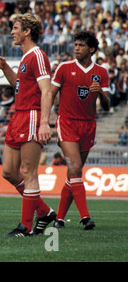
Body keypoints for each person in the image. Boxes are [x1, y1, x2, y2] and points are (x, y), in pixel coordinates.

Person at [0, 13, 56, 236]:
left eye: (15, 27)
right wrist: (5, 67)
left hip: (32, 116)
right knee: (8, 171)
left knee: (28, 171)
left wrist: (45, 123)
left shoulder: (37, 56)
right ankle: (44, 211)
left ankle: (25, 226)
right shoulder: (26, 57)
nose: (12, 31)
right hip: (18, 116)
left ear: (27, 31)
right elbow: (19, 85)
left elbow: (46, 90)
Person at [51, 31, 110, 230]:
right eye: (75, 44)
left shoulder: (101, 72)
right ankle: (85, 217)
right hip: (67, 122)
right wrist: (45, 120)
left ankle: (59, 218)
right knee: (75, 167)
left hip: (88, 125)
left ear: (91, 49)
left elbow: (108, 106)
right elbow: (50, 94)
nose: (76, 48)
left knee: (73, 174)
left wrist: (101, 92)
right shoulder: (64, 68)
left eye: (81, 45)